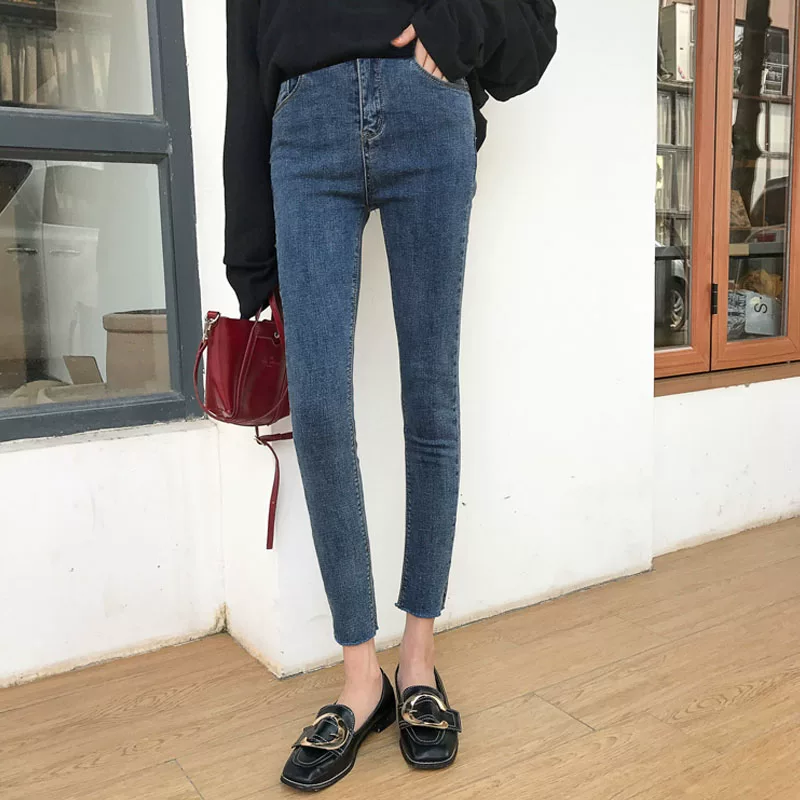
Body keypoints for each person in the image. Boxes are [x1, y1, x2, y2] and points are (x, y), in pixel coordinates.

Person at [223, 0, 557, 791]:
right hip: (304, 123)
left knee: (430, 401)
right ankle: (359, 678)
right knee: (320, 412)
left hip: (425, 108)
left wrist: (457, 26)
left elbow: (534, 26)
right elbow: (245, 51)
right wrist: (249, 251)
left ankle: (417, 661)